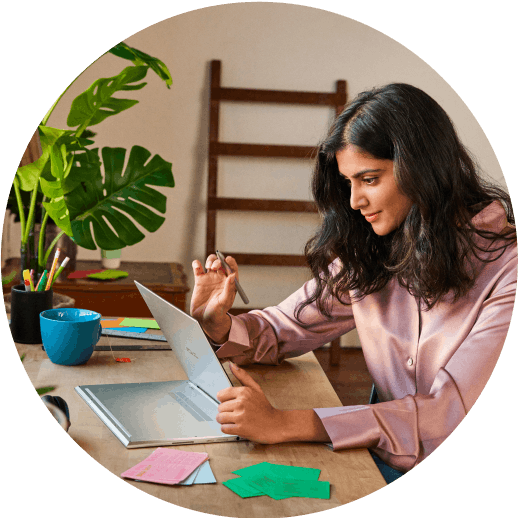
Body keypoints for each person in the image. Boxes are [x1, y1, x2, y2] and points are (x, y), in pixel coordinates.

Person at [190, 83, 517, 483]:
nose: (353, 200)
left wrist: (285, 423)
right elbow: (285, 327)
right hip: (381, 460)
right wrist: (218, 324)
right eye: (348, 182)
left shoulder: (506, 270)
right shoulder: (375, 251)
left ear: (423, 168)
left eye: (369, 179)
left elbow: (448, 415)